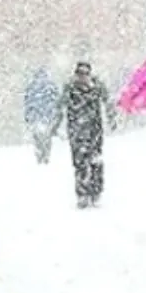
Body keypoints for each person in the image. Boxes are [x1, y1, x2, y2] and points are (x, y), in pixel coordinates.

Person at [56, 61, 109, 207]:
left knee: (95, 162)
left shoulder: (97, 87)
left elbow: (107, 101)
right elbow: (59, 105)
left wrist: (112, 118)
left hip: (94, 130)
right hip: (76, 131)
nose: (83, 77)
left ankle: (96, 192)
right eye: (80, 74)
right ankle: (82, 193)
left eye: (85, 74)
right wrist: (56, 125)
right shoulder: (70, 88)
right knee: (79, 163)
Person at [23, 67, 61, 164]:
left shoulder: (31, 87)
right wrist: (55, 115)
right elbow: (56, 102)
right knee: (47, 137)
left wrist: (28, 117)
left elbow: (27, 103)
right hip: (48, 117)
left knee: (37, 138)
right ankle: (46, 155)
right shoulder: (51, 86)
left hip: (35, 117)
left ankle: (40, 155)